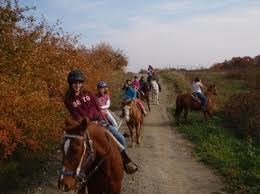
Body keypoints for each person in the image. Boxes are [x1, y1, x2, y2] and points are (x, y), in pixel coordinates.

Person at [64, 69, 138, 174]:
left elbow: (98, 108)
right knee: (72, 146)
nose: (77, 85)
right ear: (71, 84)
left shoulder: (88, 94)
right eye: (74, 83)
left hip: (99, 121)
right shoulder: (68, 100)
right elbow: (76, 116)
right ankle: (77, 174)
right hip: (85, 125)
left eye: (79, 82)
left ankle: (124, 162)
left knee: (120, 138)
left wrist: (101, 120)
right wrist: (88, 123)